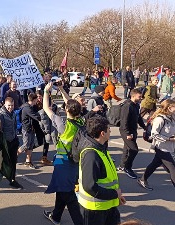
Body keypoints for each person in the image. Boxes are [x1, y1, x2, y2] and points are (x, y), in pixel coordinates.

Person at [42, 82, 83, 225]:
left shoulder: (63, 125)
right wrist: (61, 89)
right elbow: (71, 104)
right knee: (62, 189)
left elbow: (46, 108)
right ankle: (56, 216)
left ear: (66, 110)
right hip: (75, 161)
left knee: (68, 195)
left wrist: (46, 92)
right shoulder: (81, 121)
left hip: (63, 162)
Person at [78, 116, 126, 225]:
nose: (110, 131)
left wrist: (116, 197)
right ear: (102, 133)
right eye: (109, 129)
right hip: (95, 210)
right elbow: (90, 187)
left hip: (107, 205)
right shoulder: (91, 155)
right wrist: (114, 194)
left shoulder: (101, 148)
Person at [137, 99, 175, 190]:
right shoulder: (160, 119)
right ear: (169, 108)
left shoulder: (171, 117)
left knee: (155, 163)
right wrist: (169, 139)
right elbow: (154, 134)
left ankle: (143, 179)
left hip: (169, 147)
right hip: (161, 147)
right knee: (173, 169)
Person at [118, 89, 146, 179]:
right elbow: (124, 121)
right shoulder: (127, 106)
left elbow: (139, 118)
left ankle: (122, 166)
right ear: (133, 96)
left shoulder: (136, 105)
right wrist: (127, 133)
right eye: (139, 96)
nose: (141, 98)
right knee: (134, 150)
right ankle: (127, 168)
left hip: (133, 130)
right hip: (126, 131)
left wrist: (145, 127)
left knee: (126, 148)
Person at [0, 97, 23, 189]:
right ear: (5, 104)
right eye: (9, 105)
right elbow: (0, 130)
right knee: (3, 163)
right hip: (5, 142)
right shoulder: (1, 115)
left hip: (13, 140)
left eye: (12, 105)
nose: (10, 107)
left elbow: (14, 126)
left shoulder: (13, 113)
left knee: (13, 161)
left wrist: (16, 138)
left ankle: (12, 180)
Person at [18, 93, 42, 169]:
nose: (36, 102)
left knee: (30, 146)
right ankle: (14, 155)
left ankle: (28, 161)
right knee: (26, 145)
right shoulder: (27, 108)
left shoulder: (30, 106)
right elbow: (37, 117)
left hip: (31, 129)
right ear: (34, 100)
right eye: (36, 100)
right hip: (26, 129)